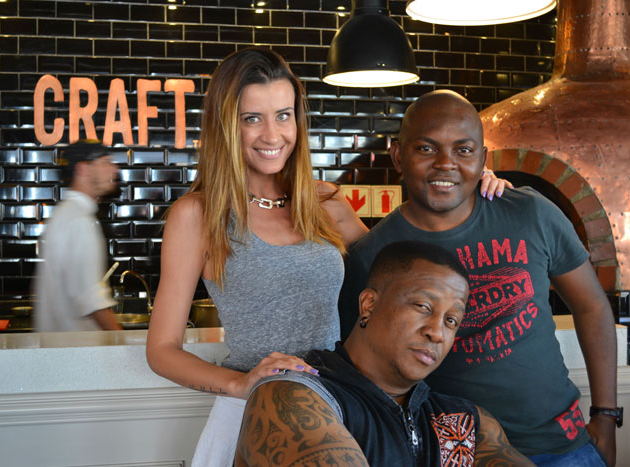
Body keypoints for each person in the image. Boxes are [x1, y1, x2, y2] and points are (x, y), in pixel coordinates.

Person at [145, 48, 508, 467]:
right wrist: (239, 384)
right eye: (252, 119)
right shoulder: (198, 215)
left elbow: (405, 269)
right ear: (226, 125)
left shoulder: (325, 202)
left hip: (336, 406)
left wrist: (466, 188)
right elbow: (162, 350)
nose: (272, 135)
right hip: (255, 414)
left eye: (283, 116)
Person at [338, 90, 618, 466]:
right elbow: (363, 367)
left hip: (562, 447)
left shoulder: (531, 214)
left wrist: (606, 415)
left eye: (464, 150)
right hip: (453, 455)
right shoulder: (372, 255)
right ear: (399, 156)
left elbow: (591, 306)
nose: (446, 164)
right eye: (426, 148)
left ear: (482, 159)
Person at [235, 241, 534, 466]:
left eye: (451, 320)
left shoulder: (467, 422)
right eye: (423, 307)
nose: (437, 332)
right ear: (369, 305)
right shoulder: (291, 397)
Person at [33, 139, 122, 332]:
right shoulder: (80, 221)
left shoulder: (66, 214)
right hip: (78, 346)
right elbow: (92, 301)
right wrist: (120, 340)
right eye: (106, 162)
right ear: (83, 169)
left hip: (61, 345)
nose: (114, 169)